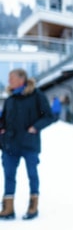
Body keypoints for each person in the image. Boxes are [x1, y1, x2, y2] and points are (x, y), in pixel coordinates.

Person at [0, 68, 57, 220]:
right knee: (9, 175)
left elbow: (49, 116)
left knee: (32, 174)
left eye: (11, 78)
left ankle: (33, 206)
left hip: (29, 143)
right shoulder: (10, 99)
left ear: (22, 79)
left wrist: (35, 127)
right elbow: (3, 119)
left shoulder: (36, 95)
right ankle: (8, 208)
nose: (9, 81)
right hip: (10, 145)